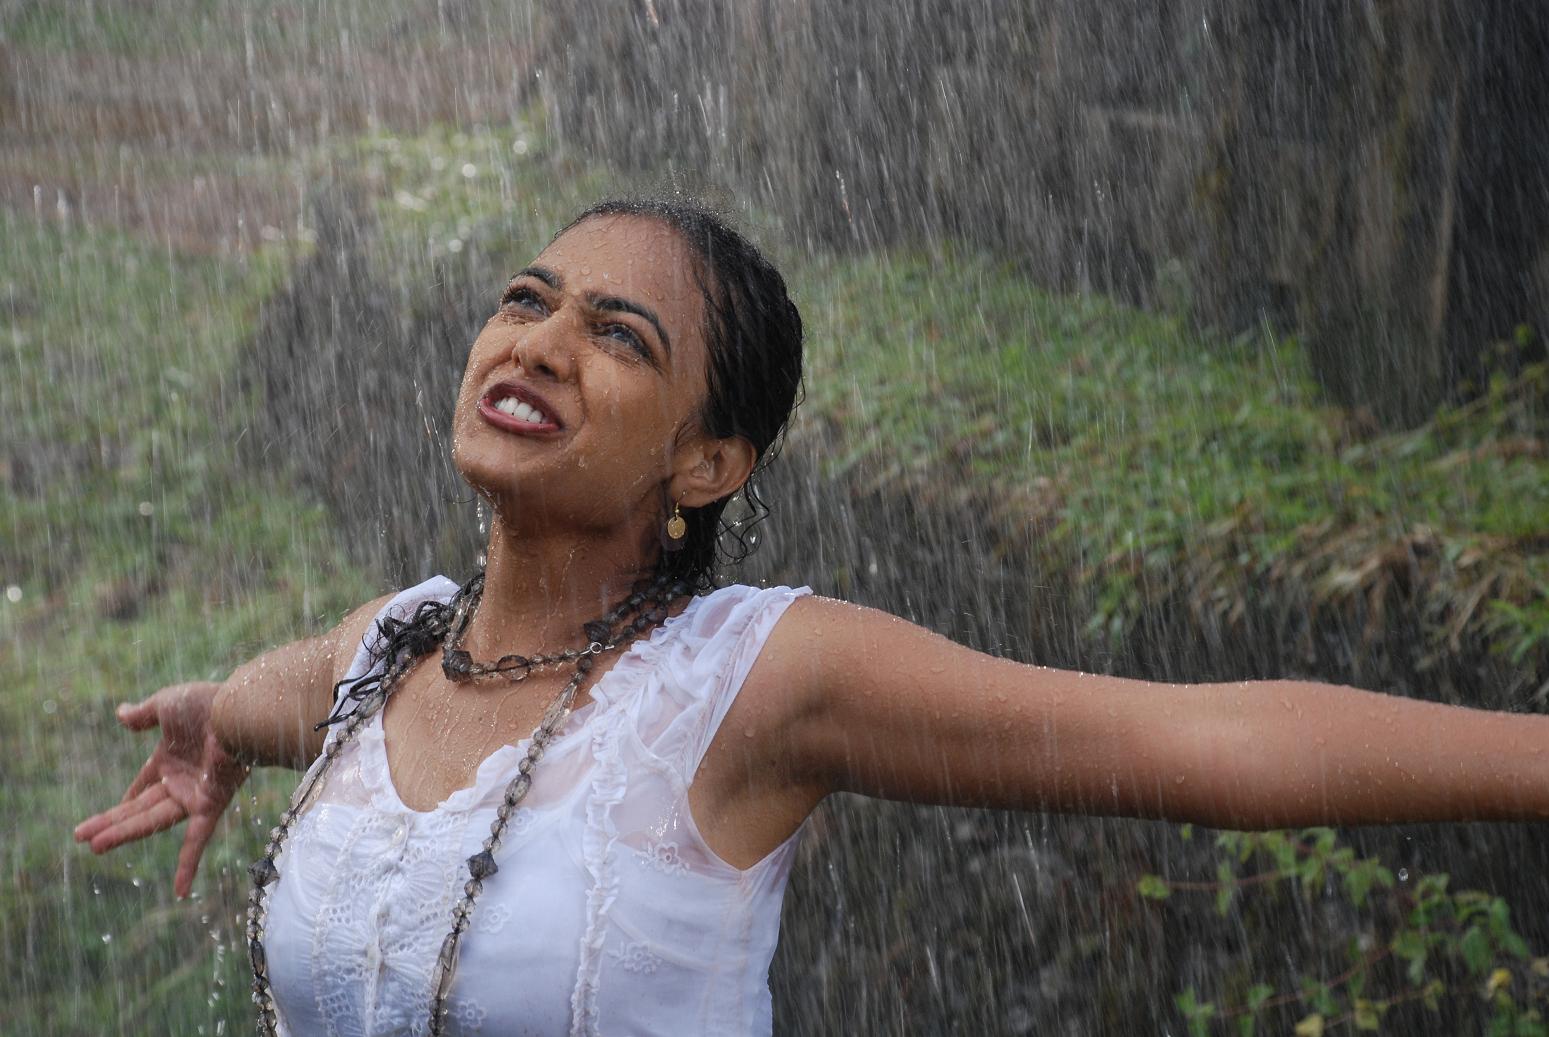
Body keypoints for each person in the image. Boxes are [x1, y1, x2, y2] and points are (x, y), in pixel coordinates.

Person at [74, 197, 1549, 1036]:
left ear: (707, 464)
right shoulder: (387, 649)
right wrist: (214, 719)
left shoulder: (753, 684)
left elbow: (1210, 745)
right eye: (528, 299)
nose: (542, 341)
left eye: (618, 335)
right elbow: (268, 695)